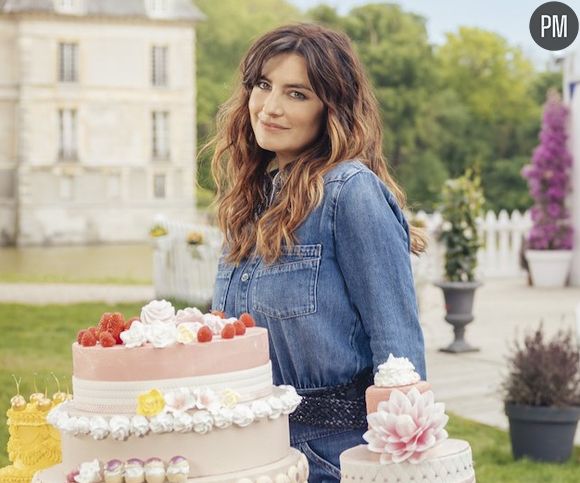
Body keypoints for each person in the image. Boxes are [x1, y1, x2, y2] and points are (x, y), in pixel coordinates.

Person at [207, 23, 427, 482]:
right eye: (263, 86)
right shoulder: (250, 203)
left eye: (297, 94)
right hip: (250, 452)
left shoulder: (350, 192)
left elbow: (399, 355)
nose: (270, 108)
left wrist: (402, 463)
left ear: (332, 108)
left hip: (331, 459)